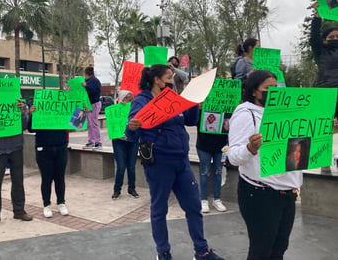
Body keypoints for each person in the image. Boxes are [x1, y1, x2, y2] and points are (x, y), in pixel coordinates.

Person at [126, 64, 224, 260]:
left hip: (181, 160)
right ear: (157, 79)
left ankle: (202, 251)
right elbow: (130, 133)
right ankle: (163, 252)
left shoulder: (173, 98)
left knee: (193, 206)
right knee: (159, 209)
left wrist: (196, 103)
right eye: (169, 76)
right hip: (159, 162)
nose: (173, 79)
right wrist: (132, 125)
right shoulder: (142, 100)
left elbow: (188, 120)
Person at [227, 70, 302, 260]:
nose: (273, 92)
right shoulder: (245, 114)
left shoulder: (284, 112)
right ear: (254, 91)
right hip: (260, 194)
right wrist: (250, 148)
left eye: (276, 88)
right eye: (268, 88)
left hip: (287, 192)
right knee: (261, 251)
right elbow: (233, 157)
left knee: (279, 248)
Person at [0, 99, 33, 229]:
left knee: (18, 181)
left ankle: (19, 210)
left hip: (15, 147)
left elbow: (25, 126)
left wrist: (22, 113)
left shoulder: (20, 105)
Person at [28, 105, 69, 218]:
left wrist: (81, 111)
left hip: (60, 146)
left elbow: (76, 123)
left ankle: (61, 203)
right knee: (46, 178)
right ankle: (46, 205)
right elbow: (31, 129)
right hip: (44, 148)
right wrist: (32, 115)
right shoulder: (38, 108)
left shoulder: (62, 108)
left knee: (60, 177)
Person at [197, 106, 228, 213]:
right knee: (204, 172)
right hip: (204, 144)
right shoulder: (202, 102)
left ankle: (217, 199)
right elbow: (192, 120)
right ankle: (204, 200)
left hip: (221, 145)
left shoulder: (225, 103)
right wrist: (198, 108)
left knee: (218, 171)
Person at [111, 90, 139, 200]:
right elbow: (112, 125)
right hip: (119, 141)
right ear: (122, 99)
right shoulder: (115, 110)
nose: (130, 102)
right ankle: (117, 189)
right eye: (128, 99)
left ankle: (132, 188)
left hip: (133, 140)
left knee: (131, 166)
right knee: (121, 166)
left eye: (131, 100)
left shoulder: (135, 110)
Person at [311, 2, 338, 113]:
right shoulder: (320, 51)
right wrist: (317, 16)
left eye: (337, 36)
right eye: (331, 37)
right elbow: (314, 36)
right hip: (327, 92)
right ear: (324, 40)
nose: (335, 38)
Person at [82, 65, 102, 149]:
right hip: (89, 104)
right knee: (89, 124)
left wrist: (86, 86)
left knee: (93, 123)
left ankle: (98, 142)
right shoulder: (90, 81)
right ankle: (91, 141)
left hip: (94, 103)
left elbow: (95, 91)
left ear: (87, 74)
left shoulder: (94, 81)